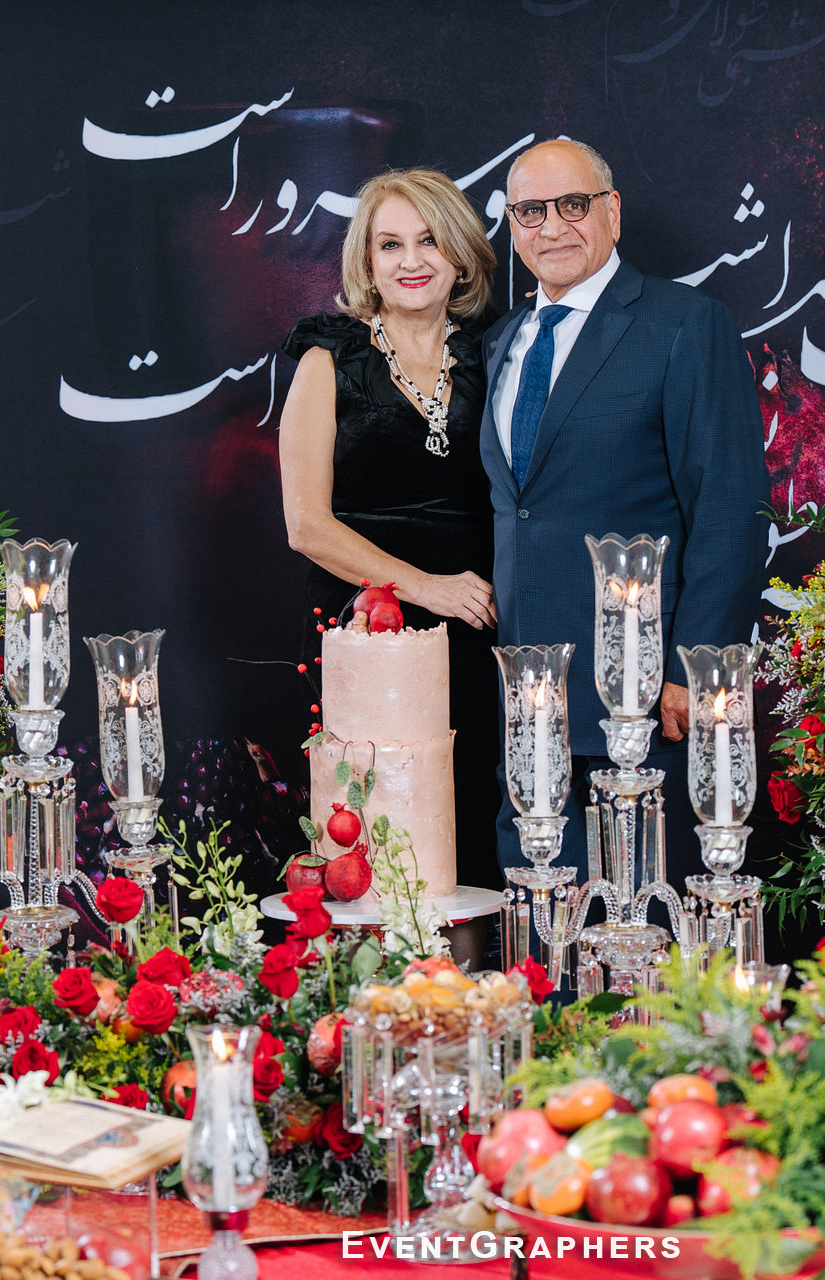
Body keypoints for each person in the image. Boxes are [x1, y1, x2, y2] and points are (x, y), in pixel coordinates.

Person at [481, 138, 765, 884]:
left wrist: (694, 669)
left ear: (612, 212)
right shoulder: (501, 342)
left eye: (572, 205)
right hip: (529, 710)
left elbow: (731, 508)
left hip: (644, 706)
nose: (552, 227)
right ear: (512, 225)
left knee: (647, 934)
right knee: (541, 932)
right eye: (530, 211)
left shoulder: (684, 325)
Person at [279, 168, 502, 891]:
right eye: (390, 244)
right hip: (363, 628)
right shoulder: (328, 360)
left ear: (461, 255)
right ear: (367, 263)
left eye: (430, 241)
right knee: (371, 835)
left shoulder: (497, 355)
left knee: (471, 829)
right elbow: (307, 525)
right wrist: (426, 588)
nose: (412, 261)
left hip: (481, 629)